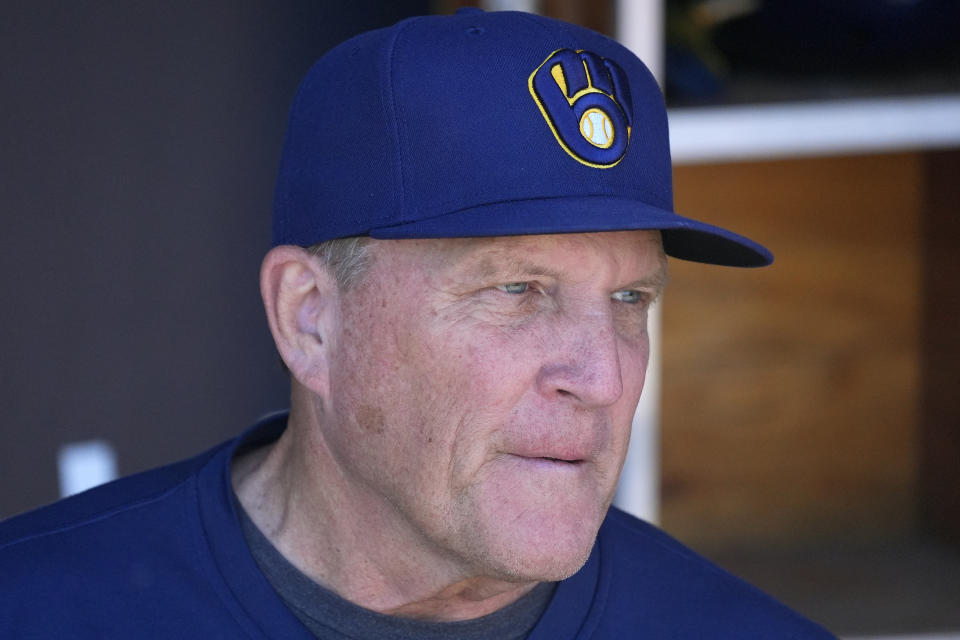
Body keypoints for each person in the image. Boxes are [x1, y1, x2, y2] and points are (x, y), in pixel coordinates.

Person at [0, 8, 835, 639]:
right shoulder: (39, 607)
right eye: (517, 289)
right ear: (311, 319)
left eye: (630, 300)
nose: (605, 378)